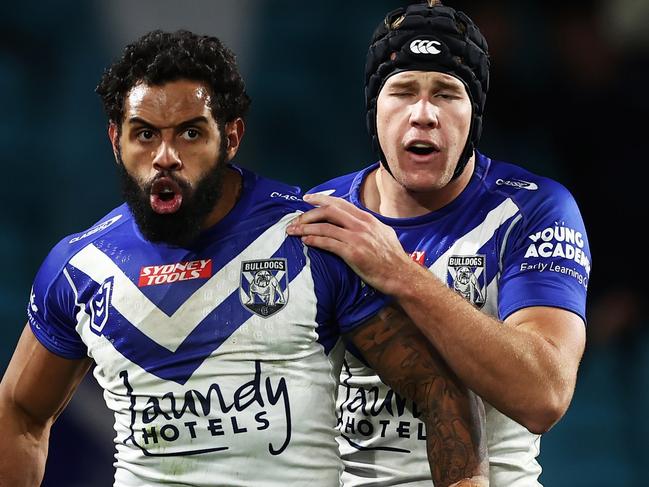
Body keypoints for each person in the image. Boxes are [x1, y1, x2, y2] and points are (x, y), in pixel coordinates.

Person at [0, 30, 488, 487]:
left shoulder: (311, 238)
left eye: (190, 134)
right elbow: (19, 411)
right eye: (145, 134)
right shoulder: (79, 267)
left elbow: (440, 387)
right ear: (115, 140)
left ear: (230, 137)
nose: (165, 155)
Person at [287, 1, 591, 485]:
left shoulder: (534, 210)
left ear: (475, 114)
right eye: (403, 91)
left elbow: (545, 396)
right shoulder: (322, 216)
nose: (423, 114)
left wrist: (401, 274)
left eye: (447, 93)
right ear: (374, 108)